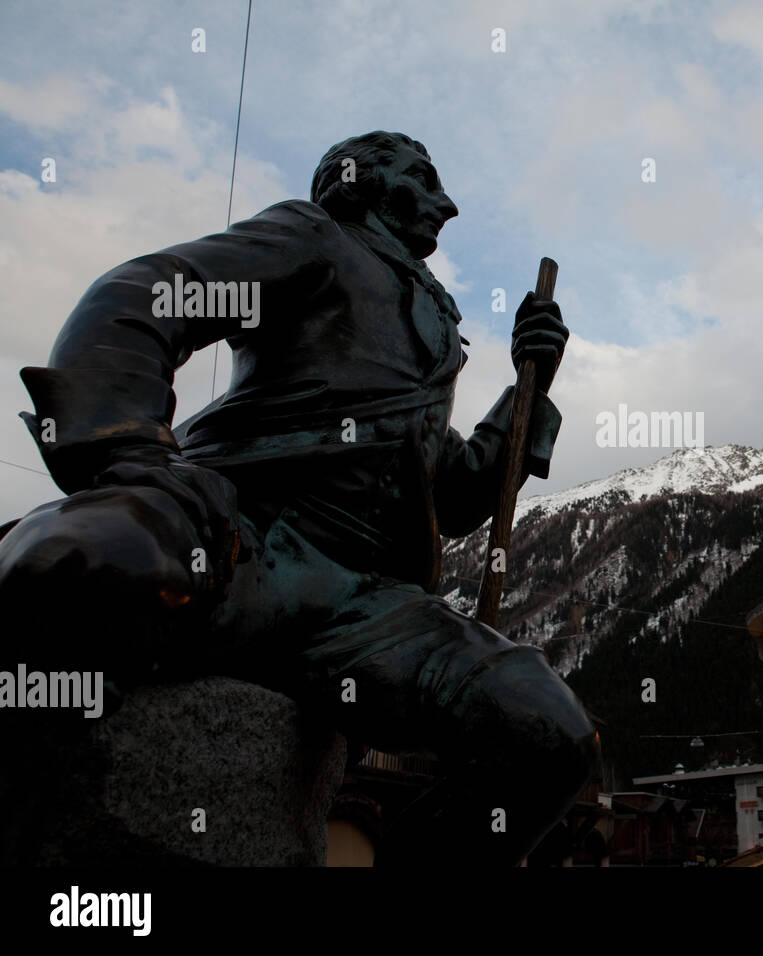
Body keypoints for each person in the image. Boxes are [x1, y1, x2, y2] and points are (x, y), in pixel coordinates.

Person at [0, 130, 597, 866]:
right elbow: (151, 293)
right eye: (422, 179)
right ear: (358, 183)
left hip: (363, 607)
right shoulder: (317, 239)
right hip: (239, 536)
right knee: (82, 563)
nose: (446, 204)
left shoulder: (427, 339)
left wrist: (528, 384)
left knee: (547, 735)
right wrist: (130, 454)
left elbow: (458, 493)